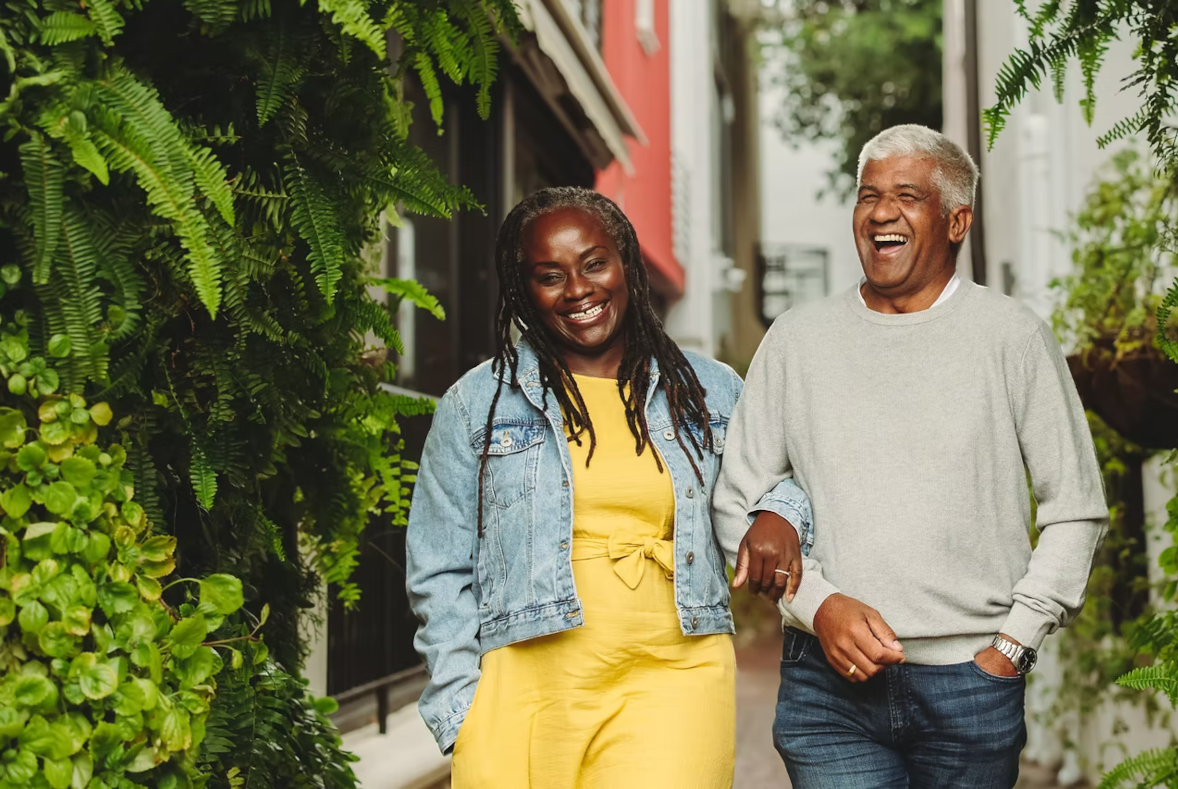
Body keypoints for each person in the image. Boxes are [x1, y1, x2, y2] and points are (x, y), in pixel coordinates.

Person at [715, 124, 1109, 788]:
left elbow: (1076, 507)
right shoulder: (796, 340)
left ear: (957, 220)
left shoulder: (1012, 337)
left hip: (971, 682)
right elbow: (735, 499)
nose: (880, 212)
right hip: (827, 686)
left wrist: (1013, 644)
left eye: (906, 194)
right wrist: (819, 604)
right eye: (868, 195)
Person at [406, 187, 810, 787]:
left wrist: (779, 511)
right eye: (550, 275)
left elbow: (792, 474)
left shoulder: (707, 390)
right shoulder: (478, 404)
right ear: (523, 292)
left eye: (595, 263)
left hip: (674, 676)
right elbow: (438, 569)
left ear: (626, 264)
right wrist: (462, 709)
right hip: (524, 692)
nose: (578, 290)